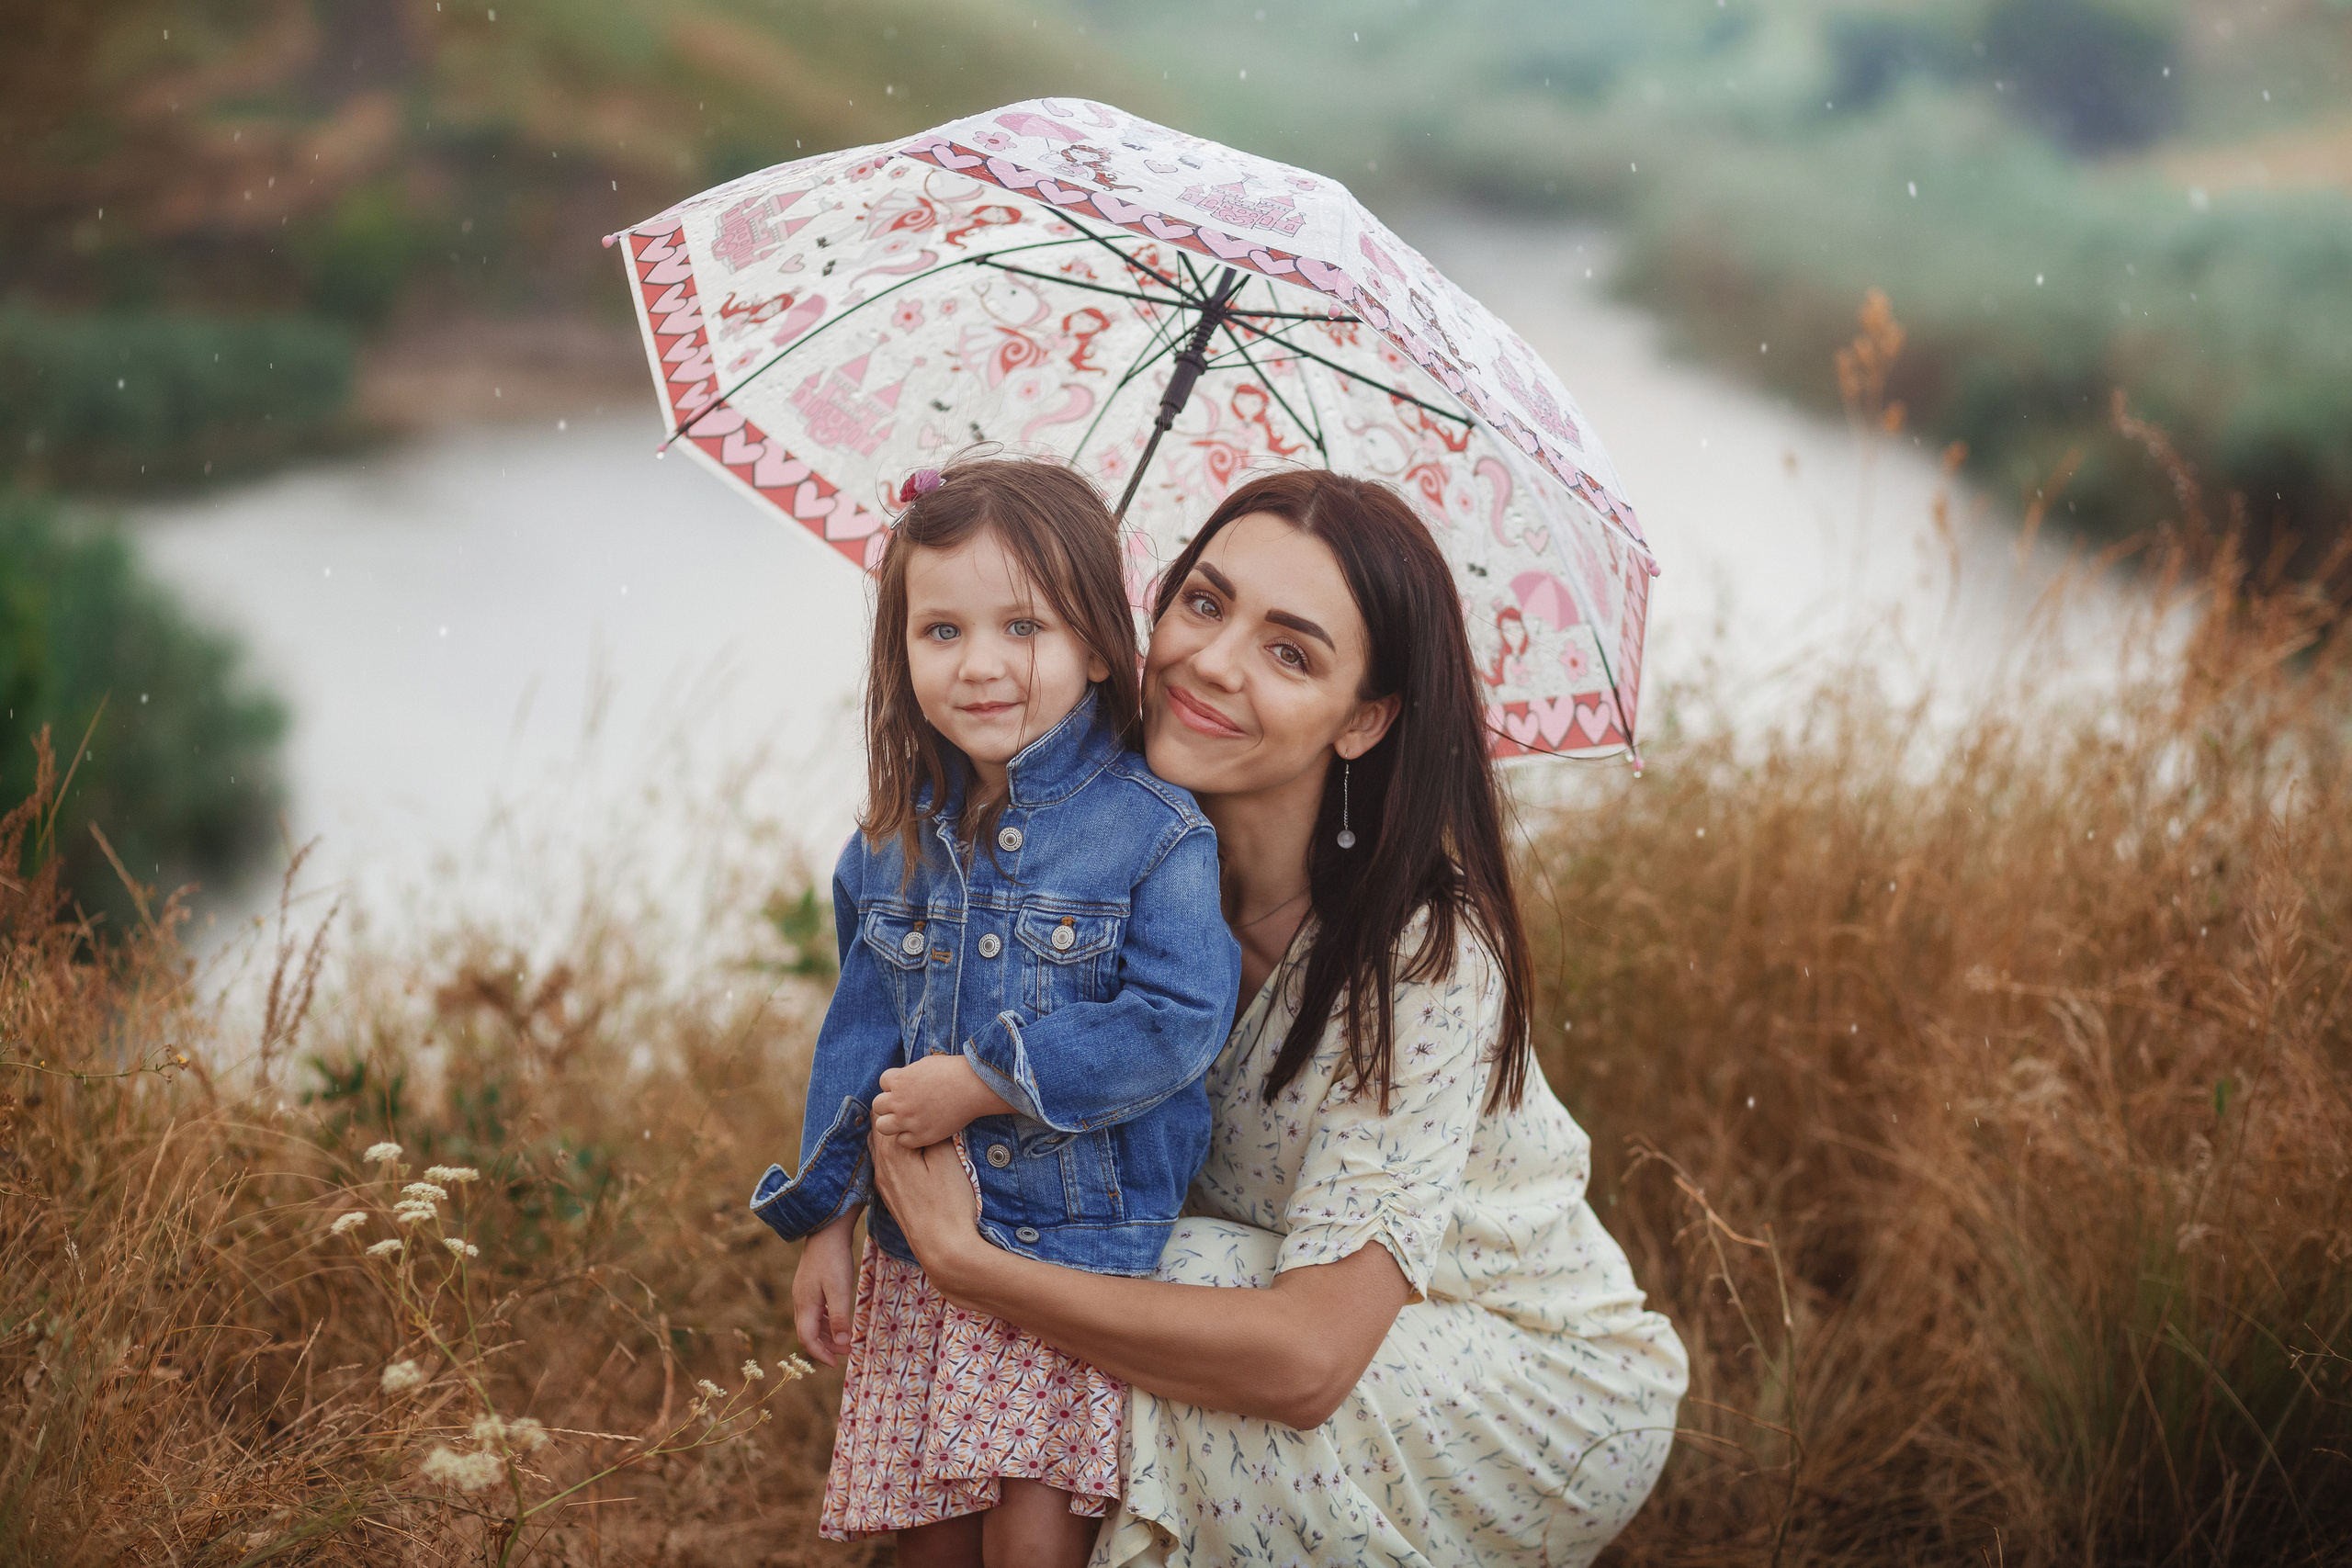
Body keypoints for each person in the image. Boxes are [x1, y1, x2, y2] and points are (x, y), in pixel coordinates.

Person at [871, 469, 1689, 1567]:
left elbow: (1305, 1360)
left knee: (1156, 1286)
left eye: (1289, 651)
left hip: (1520, 1374)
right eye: (1203, 604)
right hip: (1261, 1300)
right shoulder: (1094, 869)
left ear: (1364, 720)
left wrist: (975, 1268)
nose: (1212, 660)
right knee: (1094, 1289)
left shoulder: (1422, 960)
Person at [749, 458, 1242, 1567]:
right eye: (940, 632)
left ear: (1099, 647)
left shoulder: (1154, 832)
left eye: (1024, 627)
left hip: (1071, 1261)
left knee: (1031, 1548)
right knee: (923, 1545)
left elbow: (1176, 1017)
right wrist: (824, 1217)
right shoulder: (889, 845)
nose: (979, 666)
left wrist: (987, 1080)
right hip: (920, 1260)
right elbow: (860, 1042)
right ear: (901, 650)